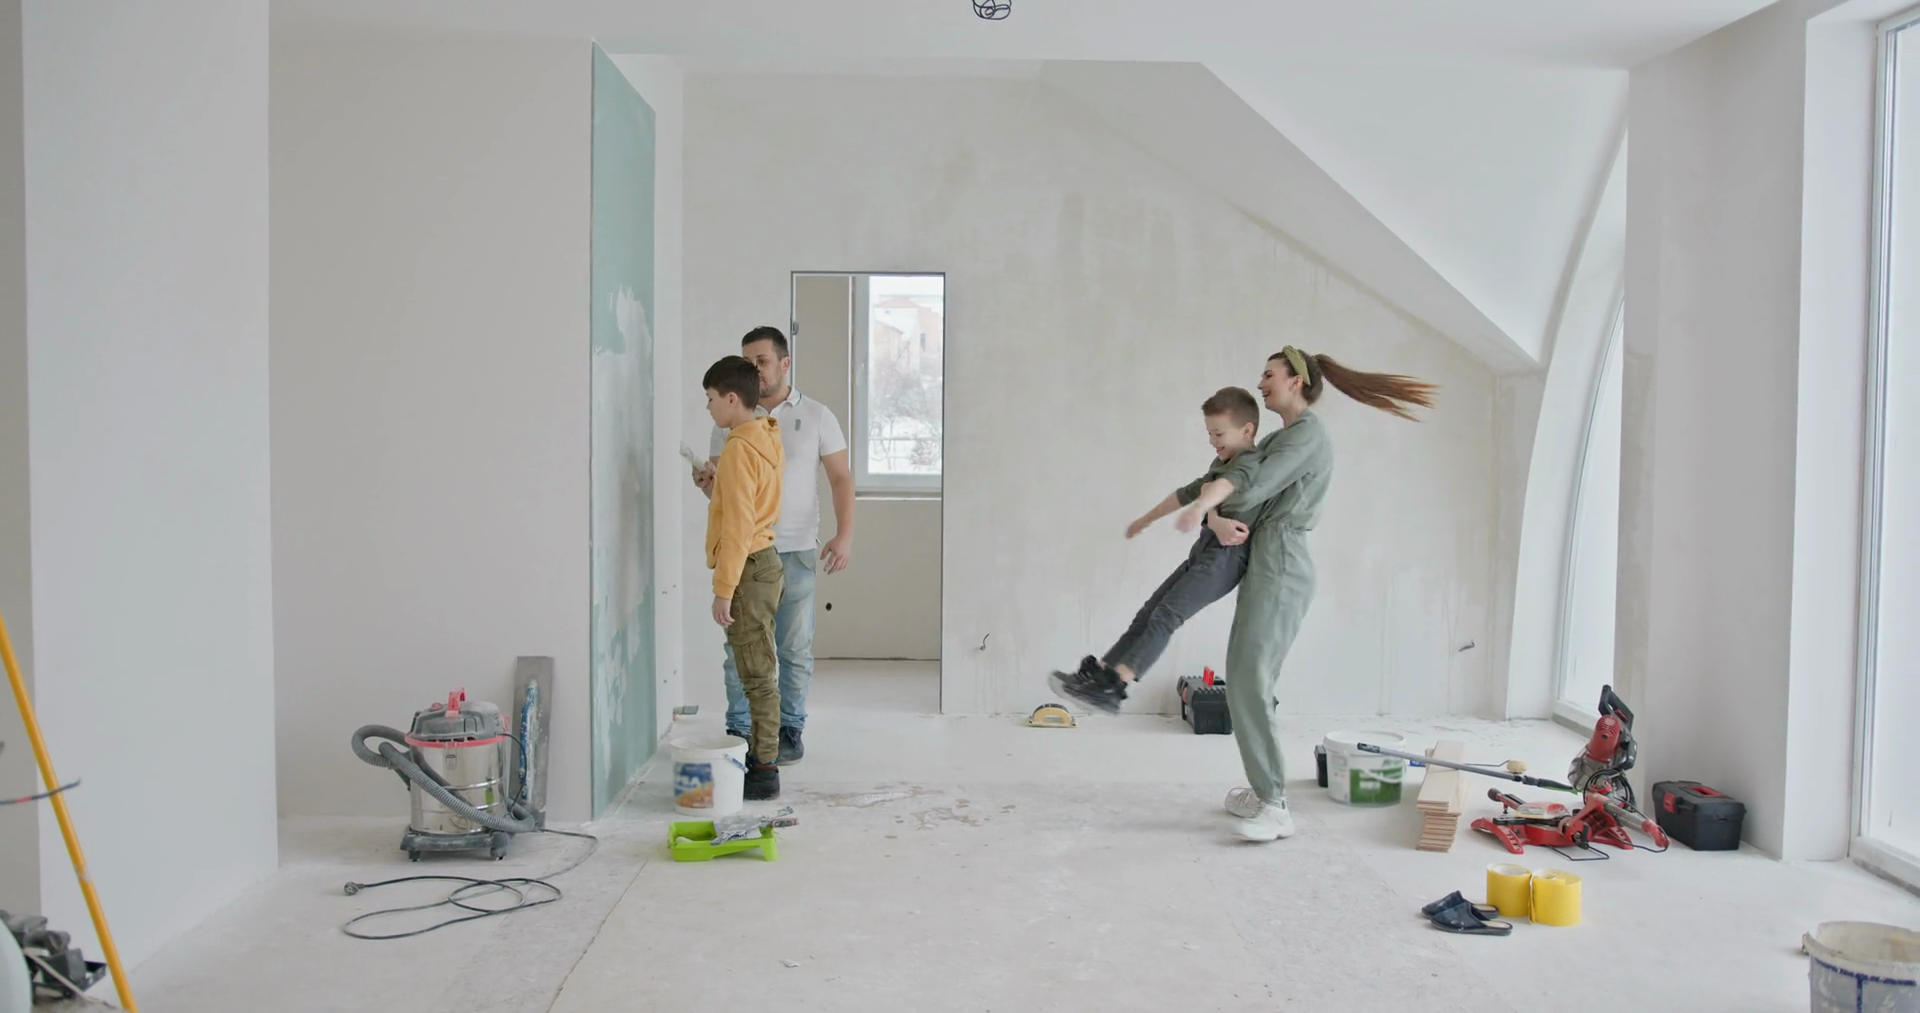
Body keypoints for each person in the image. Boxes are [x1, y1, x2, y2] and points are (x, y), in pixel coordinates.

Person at [1184, 346, 1436, 842]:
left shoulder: (1306, 435)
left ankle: (1275, 805)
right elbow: (1228, 486)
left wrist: (1215, 506)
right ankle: (1266, 789)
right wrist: (1213, 513)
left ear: (1295, 381)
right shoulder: (1281, 437)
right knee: (1247, 677)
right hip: (1266, 558)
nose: (1260, 383)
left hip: (1281, 561)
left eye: (1269, 374)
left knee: (1249, 678)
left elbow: (1247, 489)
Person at [691, 326, 854, 765]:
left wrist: (844, 534)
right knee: (740, 651)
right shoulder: (731, 417)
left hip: (797, 550)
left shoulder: (816, 416)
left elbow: (841, 478)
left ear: (784, 363)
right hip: (746, 553)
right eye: (748, 362)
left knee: (793, 649)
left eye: (761, 361)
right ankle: (741, 731)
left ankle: (788, 729)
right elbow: (730, 497)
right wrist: (707, 485)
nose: (754, 369)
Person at [1049, 387, 1266, 713]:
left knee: (1166, 616)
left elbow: (1220, 488)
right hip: (1205, 551)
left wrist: (1202, 509)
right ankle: (1102, 675)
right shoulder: (1223, 461)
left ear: (1247, 430)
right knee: (1148, 613)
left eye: (1219, 433)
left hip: (1227, 557)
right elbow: (1188, 491)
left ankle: (1115, 687)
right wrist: (1146, 519)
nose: (1212, 441)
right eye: (1209, 433)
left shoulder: (1250, 463)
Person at [701, 355, 788, 800]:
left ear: (732, 398)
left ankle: (764, 768)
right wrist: (718, 485)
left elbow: (737, 527)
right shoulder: (766, 435)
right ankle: (763, 756)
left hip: (748, 568)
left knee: (756, 675)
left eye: (711, 398)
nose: (709, 407)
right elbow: (751, 503)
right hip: (766, 560)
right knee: (762, 668)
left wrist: (723, 590)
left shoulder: (737, 447)